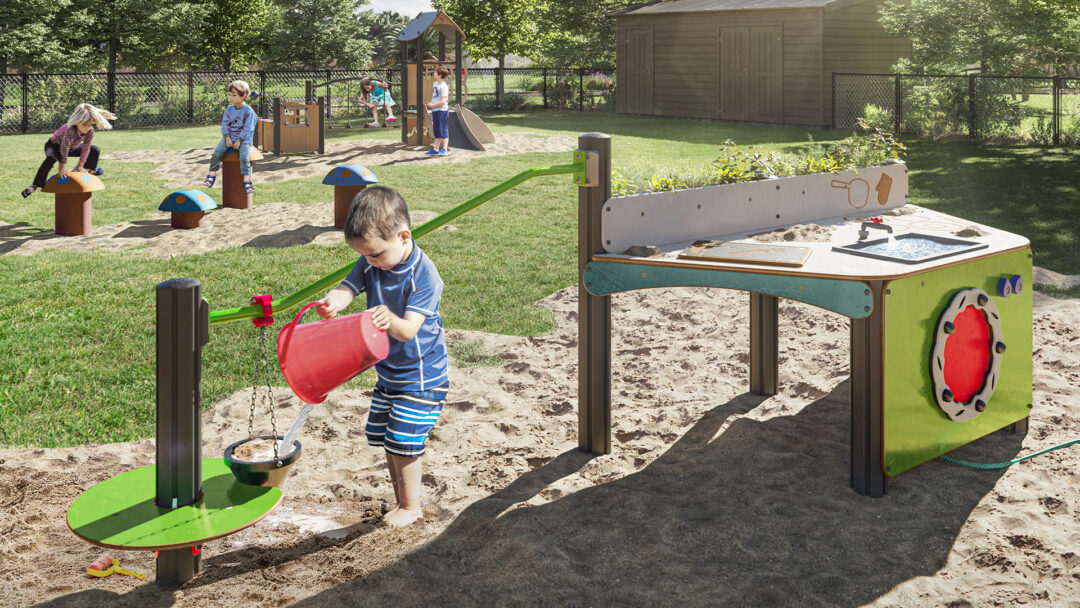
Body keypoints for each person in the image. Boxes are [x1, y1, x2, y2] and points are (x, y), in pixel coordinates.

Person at [316, 186, 449, 528]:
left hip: (422, 376)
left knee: (403, 440)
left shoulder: (425, 275)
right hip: (388, 372)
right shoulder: (370, 260)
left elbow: (407, 331)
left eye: (375, 255)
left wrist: (389, 318)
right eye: (365, 256)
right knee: (383, 437)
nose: (370, 262)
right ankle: (402, 500)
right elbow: (348, 287)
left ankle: (411, 506)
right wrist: (334, 301)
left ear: (403, 236)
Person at [22, 104, 116, 198]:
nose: (87, 128)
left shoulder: (90, 131)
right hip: (54, 146)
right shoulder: (70, 130)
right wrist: (61, 167)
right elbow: (64, 148)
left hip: (71, 147)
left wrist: (80, 165)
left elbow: (86, 147)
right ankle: (35, 185)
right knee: (51, 159)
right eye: (84, 125)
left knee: (94, 150)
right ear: (77, 121)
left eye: (90, 125)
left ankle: (88, 169)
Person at [203, 80, 258, 194]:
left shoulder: (249, 112)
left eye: (234, 95)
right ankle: (212, 175)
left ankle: (247, 181)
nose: (230, 98)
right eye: (229, 95)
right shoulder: (229, 109)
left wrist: (239, 140)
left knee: (244, 157)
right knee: (217, 153)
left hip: (244, 139)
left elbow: (248, 129)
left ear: (243, 96)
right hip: (230, 137)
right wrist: (227, 138)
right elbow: (225, 124)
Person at [424, 66, 451, 156]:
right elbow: (435, 97)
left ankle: (444, 149)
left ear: (439, 75)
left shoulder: (443, 86)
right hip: (435, 111)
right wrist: (429, 102)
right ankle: (436, 149)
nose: (433, 74)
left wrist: (432, 105)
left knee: (443, 130)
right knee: (437, 130)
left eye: (435, 72)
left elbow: (443, 102)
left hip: (442, 111)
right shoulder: (435, 84)